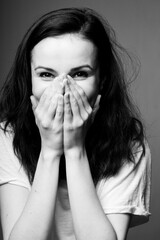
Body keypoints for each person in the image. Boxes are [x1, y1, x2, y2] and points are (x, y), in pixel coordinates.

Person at [0, 7, 151, 240]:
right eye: (46, 75)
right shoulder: (7, 135)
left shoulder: (129, 143)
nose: (61, 89)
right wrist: (49, 151)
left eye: (79, 74)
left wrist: (74, 149)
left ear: (102, 81)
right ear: (29, 79)